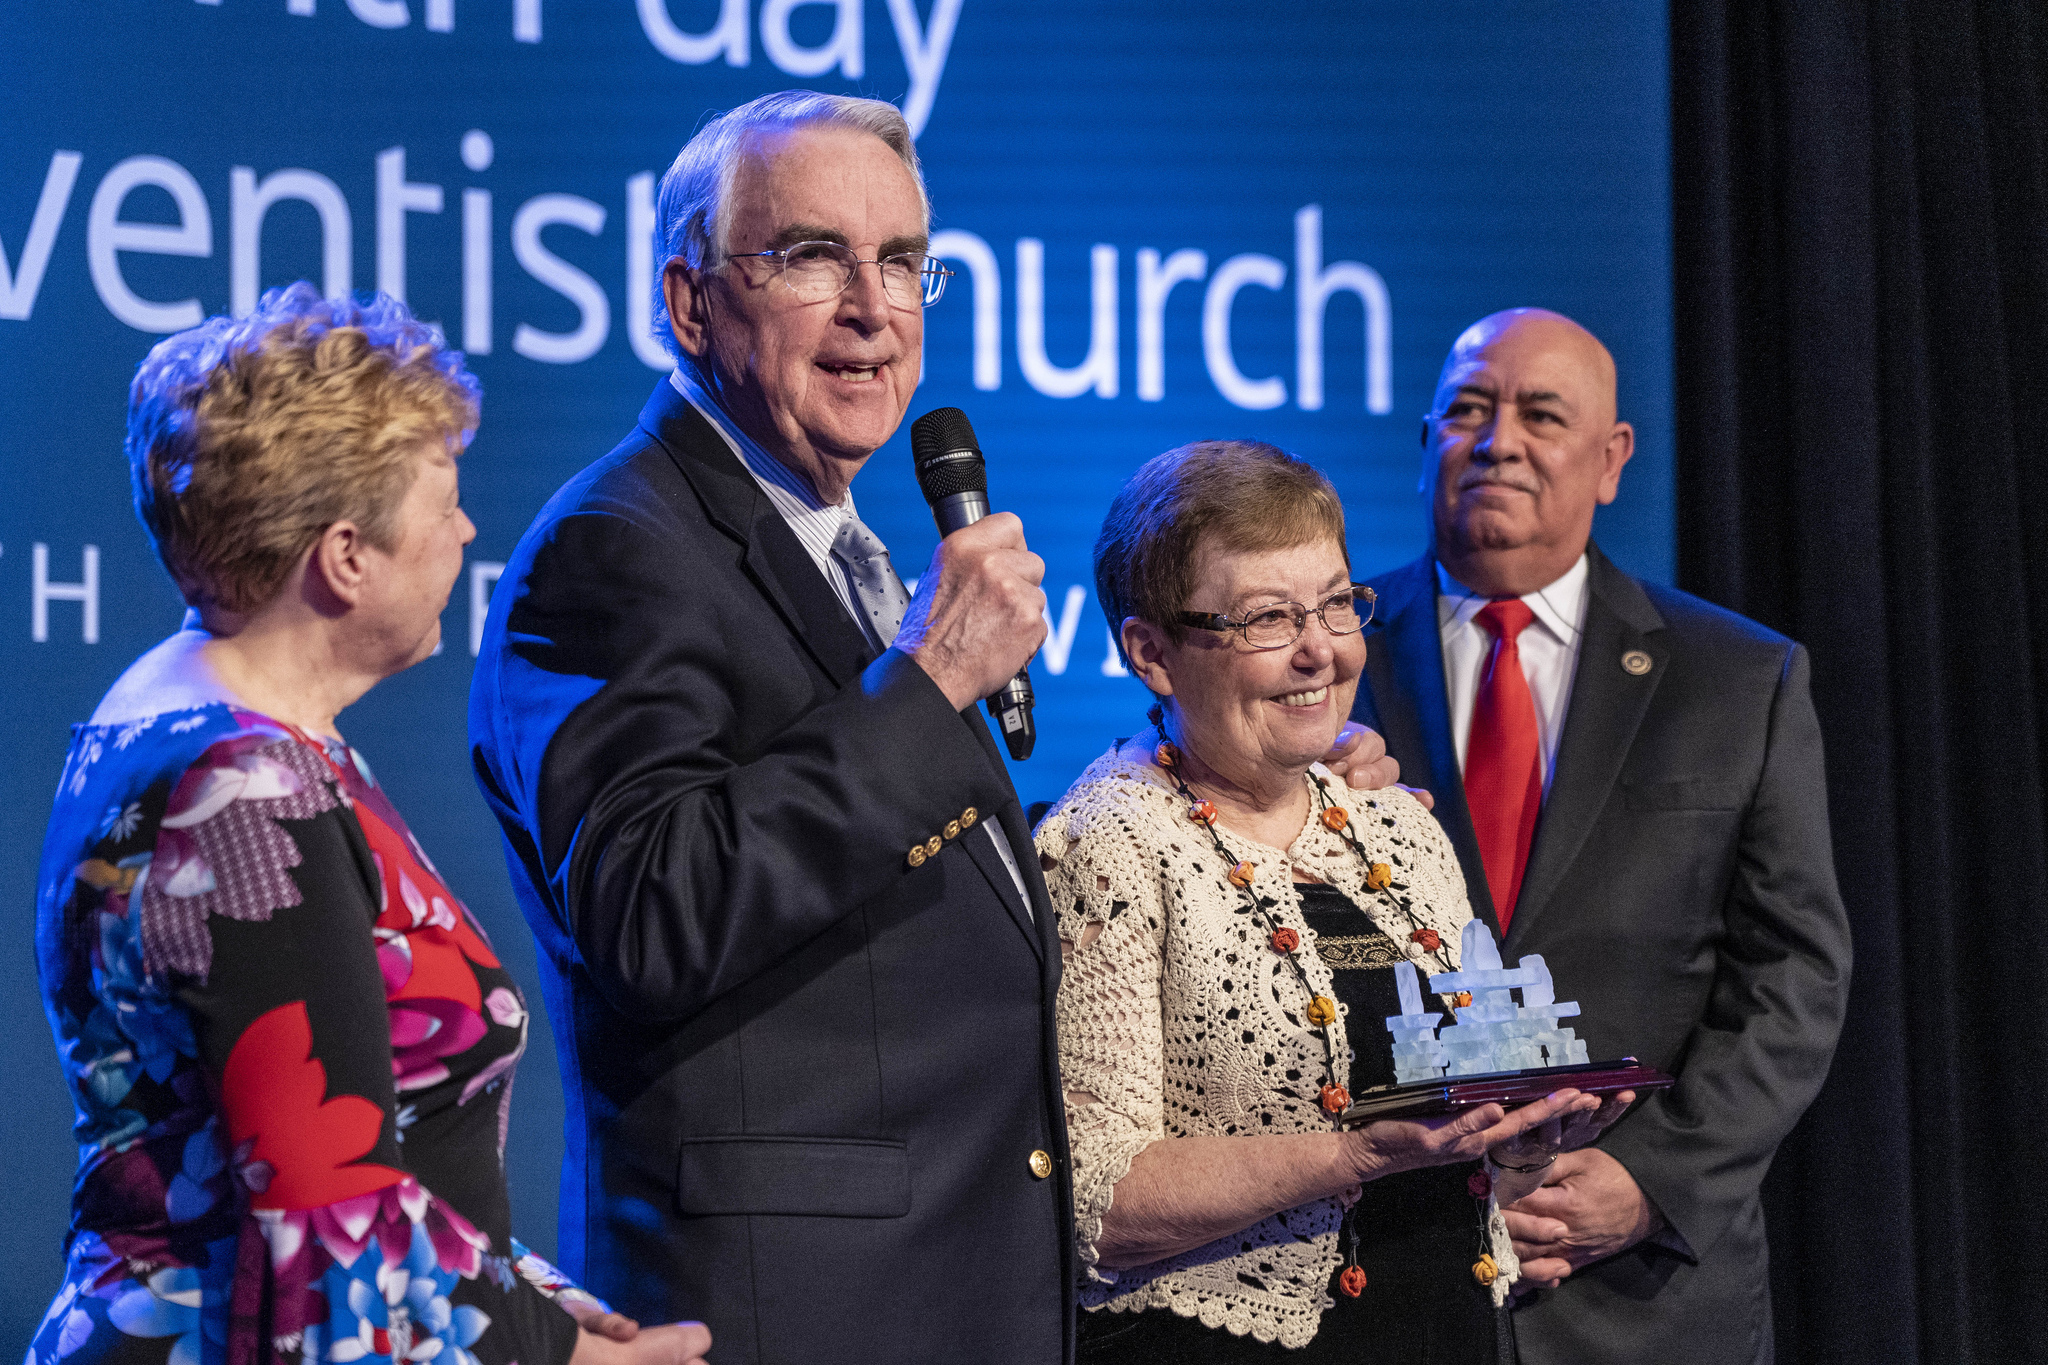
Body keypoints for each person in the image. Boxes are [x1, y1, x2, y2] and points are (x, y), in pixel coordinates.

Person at [27, 284, 710, 1365]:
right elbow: (327, 1204)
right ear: (346, 556)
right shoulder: (243, 787)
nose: (468, 529)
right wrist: (569, 1357)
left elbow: (362, 1157)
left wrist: (531, 1295)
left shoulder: (217, 733)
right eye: (443, 502)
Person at [1039, 440, 1633, 1362]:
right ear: (1151, 653)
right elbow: (1095, 1202)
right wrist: (1355, 1154)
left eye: (1335, 602)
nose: (1320, 648)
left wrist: (1523, 1134)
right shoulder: (1109, 843)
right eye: (1269, 618)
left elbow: (1461, 1121)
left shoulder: (1401, 828)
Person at [1349, 309, 1853, 1364]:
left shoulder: (1736, 680)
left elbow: (1793, 977)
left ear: (1611, 459)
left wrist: (1649, 1180)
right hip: (1381, 1275)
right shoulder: (1322, 662)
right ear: (1425, 437)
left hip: (1640, 1301)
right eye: (1468, 411)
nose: (1498, 441)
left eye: (1540, 414)